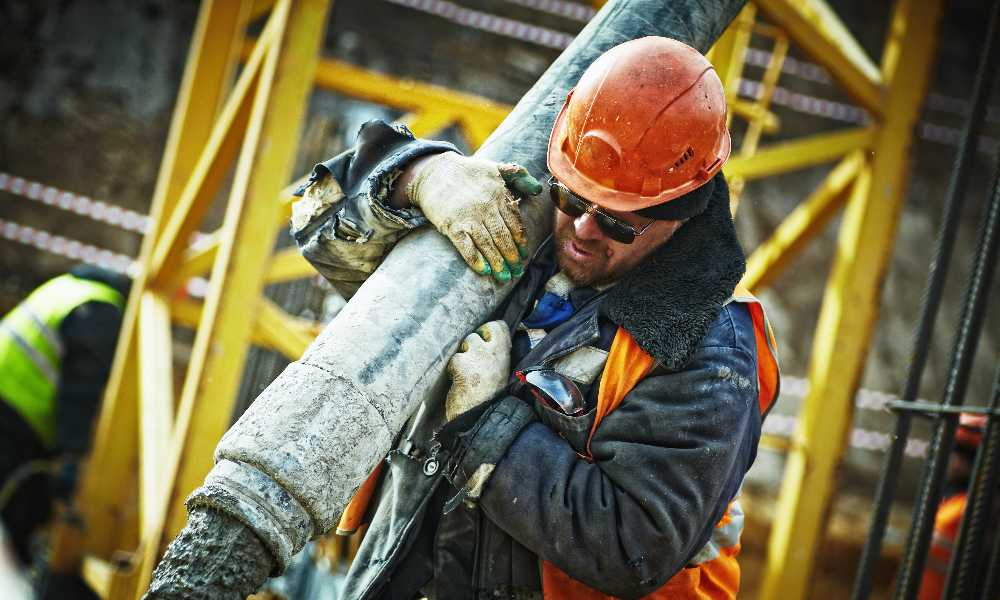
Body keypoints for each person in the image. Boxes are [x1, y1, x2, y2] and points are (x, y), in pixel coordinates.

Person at [292, 36, 779, 599]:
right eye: (572, 199)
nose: (582, 230)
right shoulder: (521, 225)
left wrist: (483, 427)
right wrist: (416, 178)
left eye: (618, 224)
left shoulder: (711, 351)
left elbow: (632, 544)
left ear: (680, 216)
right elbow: (318, 226)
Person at [0, 264, 129, 567]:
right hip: (13, 416)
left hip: (11, 408)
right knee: (17, 516)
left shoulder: (66, 287)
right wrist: (71, 456)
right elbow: (80, 392)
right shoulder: (101, 309)